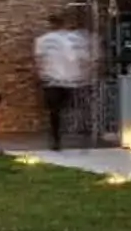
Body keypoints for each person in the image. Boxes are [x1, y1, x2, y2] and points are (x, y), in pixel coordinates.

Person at [33, 11, 94, 150]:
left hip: (58, 80)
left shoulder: (45, 40)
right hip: (63, 80)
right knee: (59, 110)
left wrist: (40, 75)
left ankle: (59, 137)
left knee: (57, 111)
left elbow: (39, 60)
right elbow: (82, 58)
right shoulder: (70, 39)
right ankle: (58, 138)